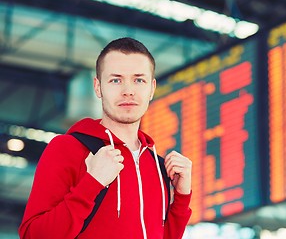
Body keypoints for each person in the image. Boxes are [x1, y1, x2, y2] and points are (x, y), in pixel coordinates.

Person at [18, 37, 192, 239]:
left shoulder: (157, 166)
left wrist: (181, 198)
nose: (128, 91)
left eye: (139, 80)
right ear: (98, 87)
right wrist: (92, 182)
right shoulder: (67, 148)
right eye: (116, 80)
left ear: (151, 88)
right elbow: (34, 236)